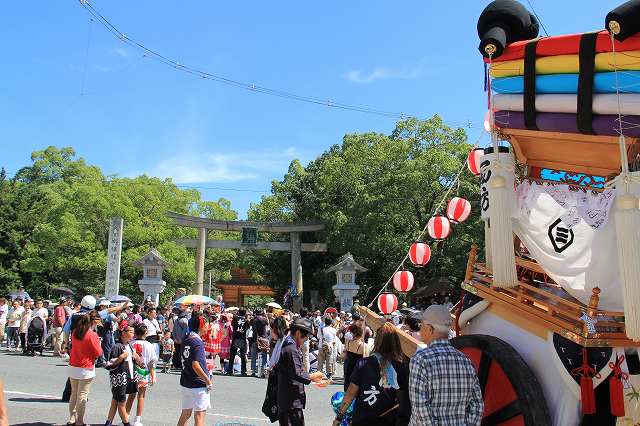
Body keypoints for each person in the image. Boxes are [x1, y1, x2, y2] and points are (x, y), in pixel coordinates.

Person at [408, 305, 483, 426]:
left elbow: (420, 408)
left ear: (430, 329)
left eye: (421, 326)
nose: (420, 330)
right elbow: (477, 405)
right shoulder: (466, 360)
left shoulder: (421, 359)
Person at [333, 322, 410, 426]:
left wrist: (339, 417)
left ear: (377, 341)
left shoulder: (364, 363)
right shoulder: (401, 367)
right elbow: (402, 399)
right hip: (387, 419)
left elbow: (351, 392)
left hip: (362, 419)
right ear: (395, 342)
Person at [275, 318, 324, 425]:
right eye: (305, 336)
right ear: (297, 333)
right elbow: (298, 373)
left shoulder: (289, 344)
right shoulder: (291, 348)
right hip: (290, 400)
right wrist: (314, 375)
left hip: (287, 398)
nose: (306, 339)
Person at [67, 310, 103, 426]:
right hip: (86, 366)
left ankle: (72, 418)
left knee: (74, 393)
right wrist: (99, 343)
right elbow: (99, 352)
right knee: (82, 394)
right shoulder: (92, 335)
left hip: (73, 364)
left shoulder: (75, 332)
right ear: (93, 322)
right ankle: (80, 420)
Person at [178, 312, 213, 426]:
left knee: (185, 414)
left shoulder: (187, 337)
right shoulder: (197, 341)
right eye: (207, 323)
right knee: (199, 416)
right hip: (198, 383)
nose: (208, 326)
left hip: (186, 380)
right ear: (201, 325)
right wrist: (207, 380)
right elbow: (195, 364)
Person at [104, 321, 140, 426]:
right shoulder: (117, 346)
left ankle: (108, 422)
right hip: (120, 378)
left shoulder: (129, 345)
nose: (133, 334)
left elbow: (135, 361)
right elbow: (110, 364)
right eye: (131, 332)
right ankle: (126, 423)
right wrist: (120, 358)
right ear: (123, 333)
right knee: (121, 402)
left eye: (133, 332)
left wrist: (137, 359)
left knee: (116, 400)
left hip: (129, 376)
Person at [130, 322, 158, 426]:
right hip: (143, 371)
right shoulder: (149, 345)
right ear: (145, 333)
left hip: (132, 371)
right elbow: (152, 362)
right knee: (141, 396)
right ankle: (137, 419)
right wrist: (152, 375)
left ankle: (126, 417)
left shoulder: (131, 343)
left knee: (131, 395)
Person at [342, 324, 368, 391]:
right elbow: (366, 359)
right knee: (356, 384)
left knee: (347, 381)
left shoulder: (347, 341)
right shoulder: (363, 346)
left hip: (348, 363)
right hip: (358, 366)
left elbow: (344, 353)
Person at [228, 308, 249, 376]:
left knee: (232, 355)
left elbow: (232, 325)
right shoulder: (246, 320)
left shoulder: (235, 318)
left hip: (235, 338)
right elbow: (247, 328)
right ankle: (243, 371)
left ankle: (230, 370)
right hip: (242, 338)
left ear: (239, 312)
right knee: (243, 356)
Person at [251, 309, 270, 377]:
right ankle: (263, 371)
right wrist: (265, 315)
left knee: (253, 356)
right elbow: (268, 323)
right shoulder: (264, 319)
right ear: (262, 313)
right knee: (264, 355)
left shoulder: (254, 320)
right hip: (263, 338)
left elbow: (253, 329)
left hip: (255, 339)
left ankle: (253, 371)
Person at [171, 305, 190, 370]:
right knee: (182, 353)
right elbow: (185, 331)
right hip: (182, 340)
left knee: (176, 352)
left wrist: (175, 338)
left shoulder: (176, 320)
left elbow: (174, 330)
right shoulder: (185, 321)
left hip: (176, 339)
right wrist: (182, 339)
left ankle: (175, 364)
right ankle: (181, 365)